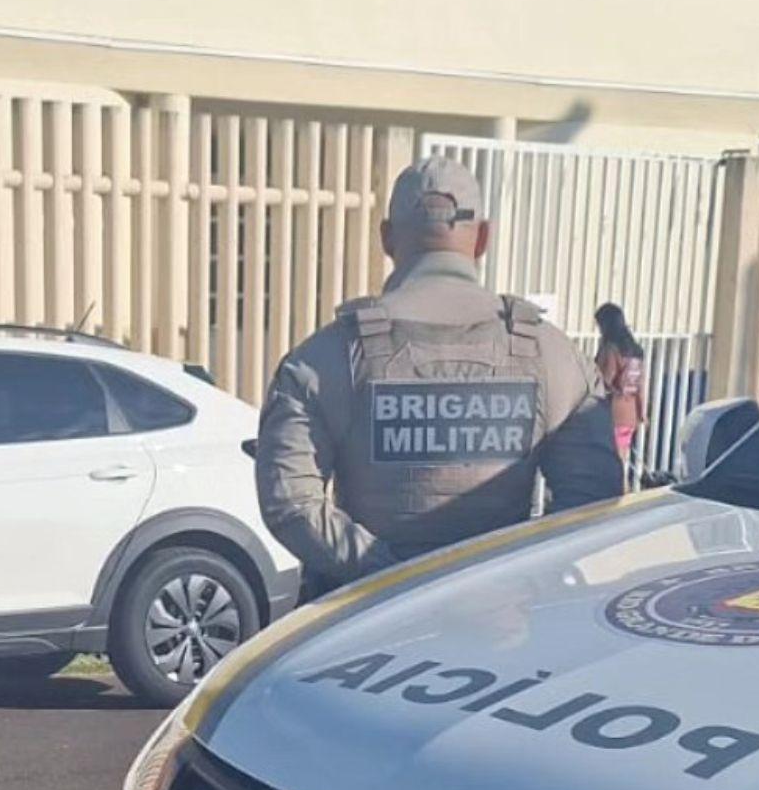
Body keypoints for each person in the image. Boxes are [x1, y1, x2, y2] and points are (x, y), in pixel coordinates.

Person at [255, 156, 624, 594]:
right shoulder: (550, 353)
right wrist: (505, 578)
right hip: (505, 630)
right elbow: (593, 502)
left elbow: (291, 503)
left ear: (387, 238)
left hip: (360, 629)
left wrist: (387, 571)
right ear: (482, 237)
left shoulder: (327, 356)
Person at [593, 303, 647, 469]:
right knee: (621, 460)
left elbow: (604, 380)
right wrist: (642, 413)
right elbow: (642, 385)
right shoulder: (635, 351)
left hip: (612, 412)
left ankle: (618, 493)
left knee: (607, 464)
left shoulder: (611, 349)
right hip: (630, 413)